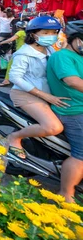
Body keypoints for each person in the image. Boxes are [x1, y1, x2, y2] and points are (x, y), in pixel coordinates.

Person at [6, 16, 68, 160]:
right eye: (45, 33)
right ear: (33, 34)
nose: (50, 36)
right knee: (54, 127)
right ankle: (14, 137)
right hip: (26, 95)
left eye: (53, 32)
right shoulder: (24, 54)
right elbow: (15, 77)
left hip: (48, 93)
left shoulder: (50, 49)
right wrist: (45, 96)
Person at [47, 20, 83, 202]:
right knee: (81, 153)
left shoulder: (79, 57)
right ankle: (65, 193)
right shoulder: (62, 57)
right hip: (73, 111)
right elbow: (73, 81)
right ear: (75, 40)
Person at [0, 21, 27, 87]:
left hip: (19, 52)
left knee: (10, 65)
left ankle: (6, 81)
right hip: (26, 52)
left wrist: (1, 43)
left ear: (18, 27)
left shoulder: (20, 32)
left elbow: (11, 40)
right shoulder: (27, 33)